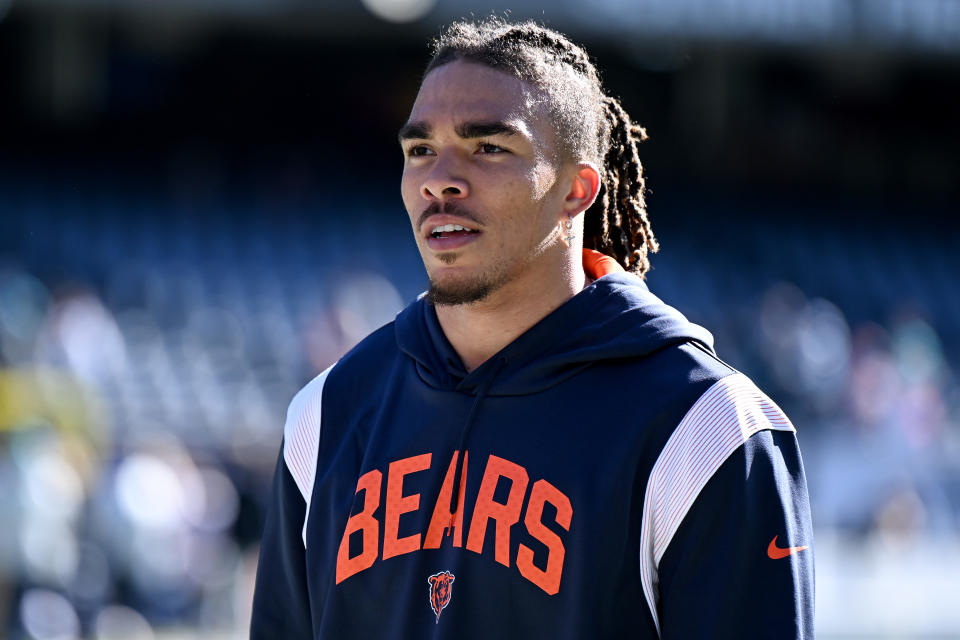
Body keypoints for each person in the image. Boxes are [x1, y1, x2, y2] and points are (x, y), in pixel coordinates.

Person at [250, 18, 814, 639]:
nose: (441, 178)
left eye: (489, 147)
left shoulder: (702, 427)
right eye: (420, 150)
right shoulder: (326, 414)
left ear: (577, 189)